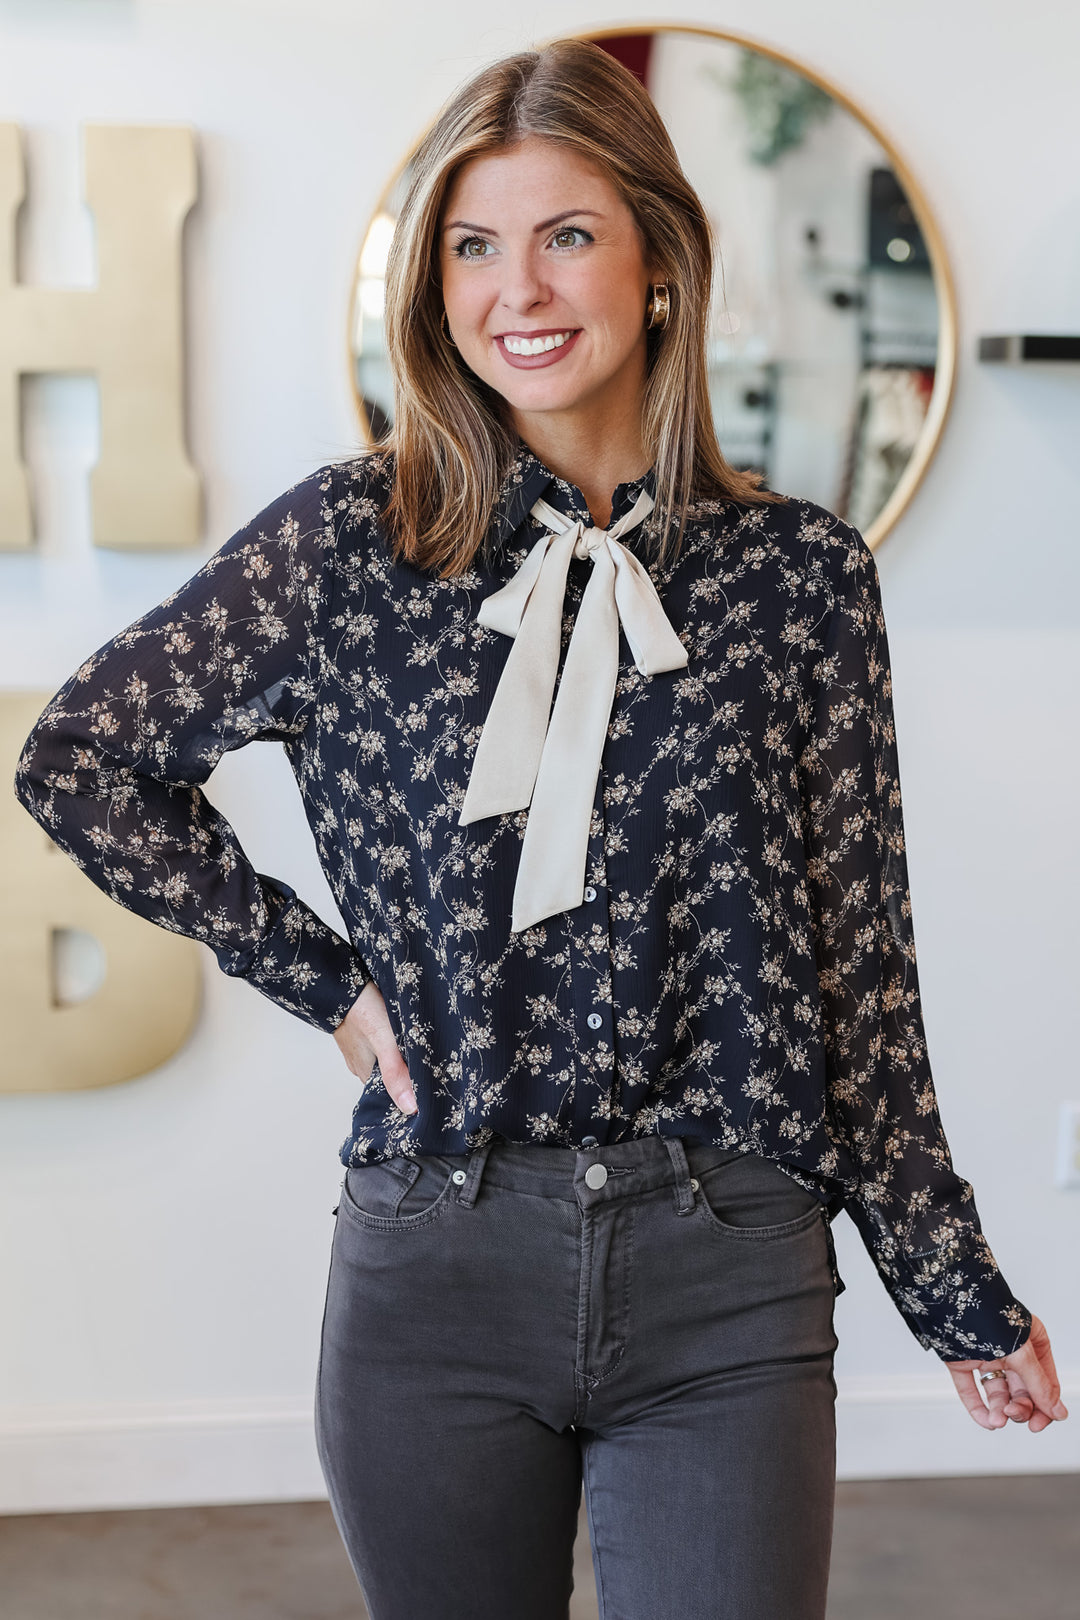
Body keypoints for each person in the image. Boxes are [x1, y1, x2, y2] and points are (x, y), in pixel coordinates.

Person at [12, 36, 1067, 1620]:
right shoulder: (347, 547)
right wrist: (331, 984)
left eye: (568, 232)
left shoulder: (801, 579)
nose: (520, 286)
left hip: (732, 1258)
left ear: (658, 261)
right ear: (434, 281)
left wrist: (947, 1278)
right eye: (474, 244)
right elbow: (83, 756)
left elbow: (863, 965)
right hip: (438, 1252)